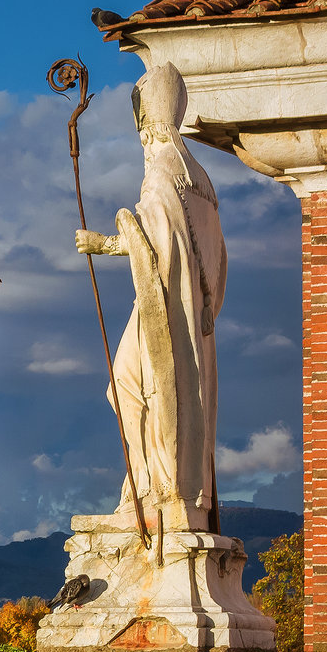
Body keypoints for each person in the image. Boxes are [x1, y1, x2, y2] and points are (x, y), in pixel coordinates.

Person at [75, 63, 225, 533]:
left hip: (162, 307)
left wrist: (104, 243)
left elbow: (155, 240)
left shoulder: (161, 172)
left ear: (146, 122)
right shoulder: (200, 179)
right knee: (146, 389)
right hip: (189, 313)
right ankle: (156, 485)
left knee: (127, 387)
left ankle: (150, 488)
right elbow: (217, 258)